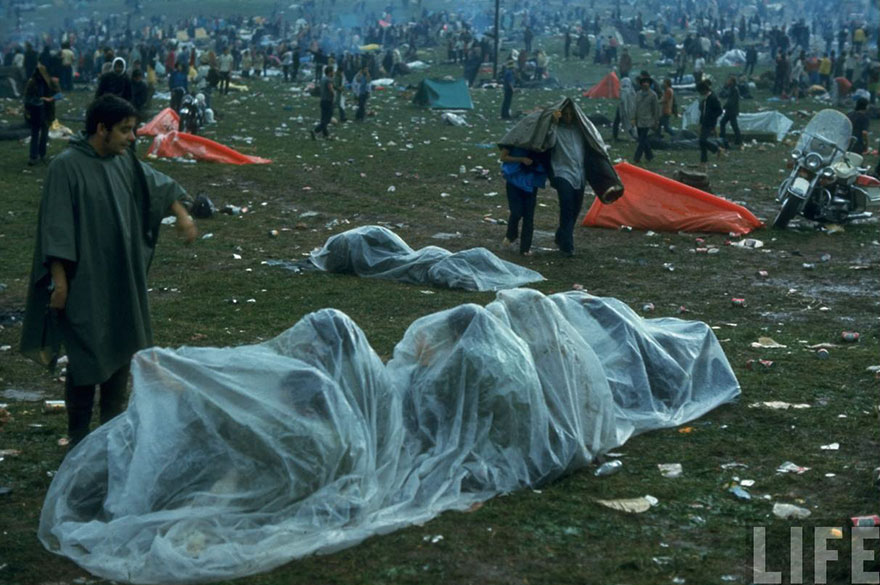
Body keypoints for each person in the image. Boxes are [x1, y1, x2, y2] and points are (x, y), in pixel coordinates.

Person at [19, 95, 198, 448]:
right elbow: (56, 227)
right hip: (83, 280)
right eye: (125, 130)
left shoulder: (122, 161)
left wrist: (181, 213)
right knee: (87, 355)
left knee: (121, 347)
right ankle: (79, 438)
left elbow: (155, 184)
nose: (133, 138)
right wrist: (59, 282)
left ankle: (111, 435)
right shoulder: (66, 167)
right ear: (101, 129)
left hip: (120, 276)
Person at [499, 146, 546, 255]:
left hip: (531, 181)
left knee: (529, 215)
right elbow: (503, 157)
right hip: (514, 179)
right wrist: (521, 159)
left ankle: (525, 248)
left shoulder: (537, 140)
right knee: (516, 212)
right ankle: (511, 235)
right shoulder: (514, 139)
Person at [24, 64, 57, 166]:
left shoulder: (49, 82)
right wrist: (37, 101)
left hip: (46, 110)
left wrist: (49, 99)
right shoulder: (32, 83)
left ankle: (41, 154)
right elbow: (27, 97)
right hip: (35, 111)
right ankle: (33, 156)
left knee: (44, 134)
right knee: (35, 133)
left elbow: (58, 94)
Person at [633, 74, 659, 164]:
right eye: (644, 83)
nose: (645, 84)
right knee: (643, 139)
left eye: (647, 83)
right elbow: (635, 108)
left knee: (641, 140)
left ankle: (637, 157)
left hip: (648, 120)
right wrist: (634, 119)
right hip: (639, 120)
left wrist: (656, 121)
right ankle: (649, 155)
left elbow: (656, 109)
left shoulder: (653, 95)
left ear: (649, 84)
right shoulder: (638, 94)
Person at [696, 80, 723, 165]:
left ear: (704, 90)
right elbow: (703, 111)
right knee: (702, 143)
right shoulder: (706, 98)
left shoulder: (713, 98)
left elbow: (719, 111)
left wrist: (711, 118)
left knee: (702, 140)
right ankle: (703, 161)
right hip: (705, 122)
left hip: (710, 122)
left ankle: (717, 149)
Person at [311, 65, 335, 139]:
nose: (333, 73)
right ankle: (315, 130)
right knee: (327, 119)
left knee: (323, 118)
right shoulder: (328, 80)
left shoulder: (323, 79)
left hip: (323, 100)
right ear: (329, 72)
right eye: (332, 71)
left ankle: (325, 134)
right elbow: (331, 89)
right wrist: (334, 96)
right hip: (328, 101)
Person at [719, 75, 742, 149]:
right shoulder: (731, 88)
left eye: (729, 81)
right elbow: (724, 95)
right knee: (724, 123)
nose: (727, 81)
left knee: (733, 125)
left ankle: (738, 139)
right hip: (730, 111)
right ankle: (723, 138)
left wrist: (725, 106)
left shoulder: (735, 90)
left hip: (732, 111)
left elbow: (731, 101)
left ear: (732, 82)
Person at [612, 77, 636, 141]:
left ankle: (615, 136)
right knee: (629, 123)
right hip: (630, 109)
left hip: (623, 109)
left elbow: (623, 101)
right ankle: (634, 135)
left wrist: (624, 110)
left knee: (618, 123)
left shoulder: (624, 91)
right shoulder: (631, 90)